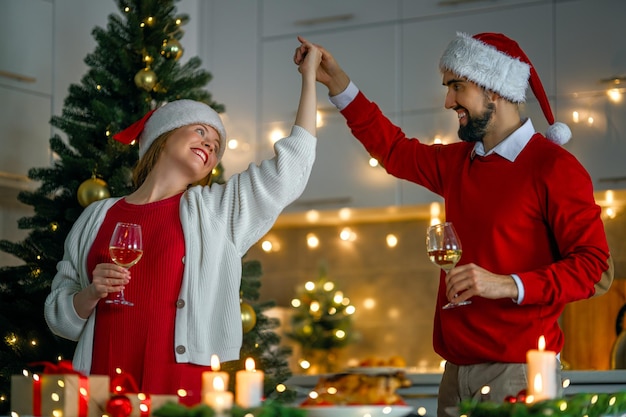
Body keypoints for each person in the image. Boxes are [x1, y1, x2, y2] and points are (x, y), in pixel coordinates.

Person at [294, 33, 614, 415]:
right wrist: (337, 83)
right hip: (454, 377)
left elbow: (596, 270)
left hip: (518, 376)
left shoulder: (554, 168)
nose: (448, 102)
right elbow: (394, 151)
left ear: (493, 89)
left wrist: (504, 284)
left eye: (457, 87)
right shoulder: (459, 163)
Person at [44, 39, 322, 405]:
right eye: (201, 132)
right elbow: (59, 317)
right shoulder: (97, 215)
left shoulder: (217, 210)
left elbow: (292, 168)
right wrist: (90, 293)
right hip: (98, 383)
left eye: (216, 146)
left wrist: (310, 78)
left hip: (179, 382)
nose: (210, 146)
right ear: (163, 137)